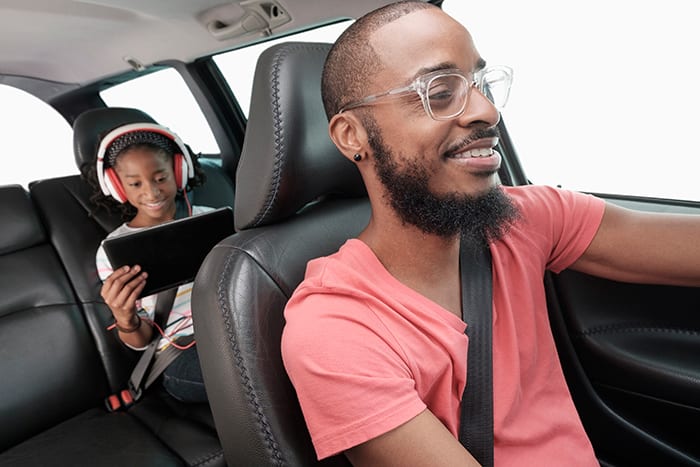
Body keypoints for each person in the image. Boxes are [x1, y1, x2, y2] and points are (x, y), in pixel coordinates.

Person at [280, 2, 700, 466]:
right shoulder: (335, 329)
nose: (486, 111)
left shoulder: (525, 219)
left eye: (480, 84)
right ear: (351, 135)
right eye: (439, 91)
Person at [82, 122, 211, 403]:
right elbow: (142, 342)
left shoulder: (211, 219)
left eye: (161, 178)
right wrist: (124, 316)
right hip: (181, 354)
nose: (152, 192)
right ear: (116, 187)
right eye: (135, 183)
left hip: (234, 325)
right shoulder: (112, 251)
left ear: (179, 171)